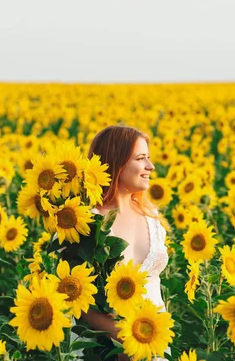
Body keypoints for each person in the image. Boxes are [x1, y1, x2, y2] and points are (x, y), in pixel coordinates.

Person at [80, 124, 170, 361]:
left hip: (155, 344)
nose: (150, 167)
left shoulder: (152, 218)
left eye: (148, 158)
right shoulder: (85, 223)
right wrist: (124, 336)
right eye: (141, 159)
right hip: (107, 349)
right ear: (115, 162)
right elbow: (73, 296)